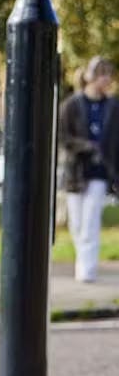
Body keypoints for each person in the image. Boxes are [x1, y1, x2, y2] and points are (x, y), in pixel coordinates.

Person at [60, 56, 118, 282]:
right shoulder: (72, 105)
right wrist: (85, 146)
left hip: (100, 172)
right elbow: (63, 137)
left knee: (90, 221)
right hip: (76, 171)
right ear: (90, 76)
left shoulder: (113, 107)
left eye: (109, 74)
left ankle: (87, 270)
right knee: (76, 223)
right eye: (102, 74)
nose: (107, 79)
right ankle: (82, 261)